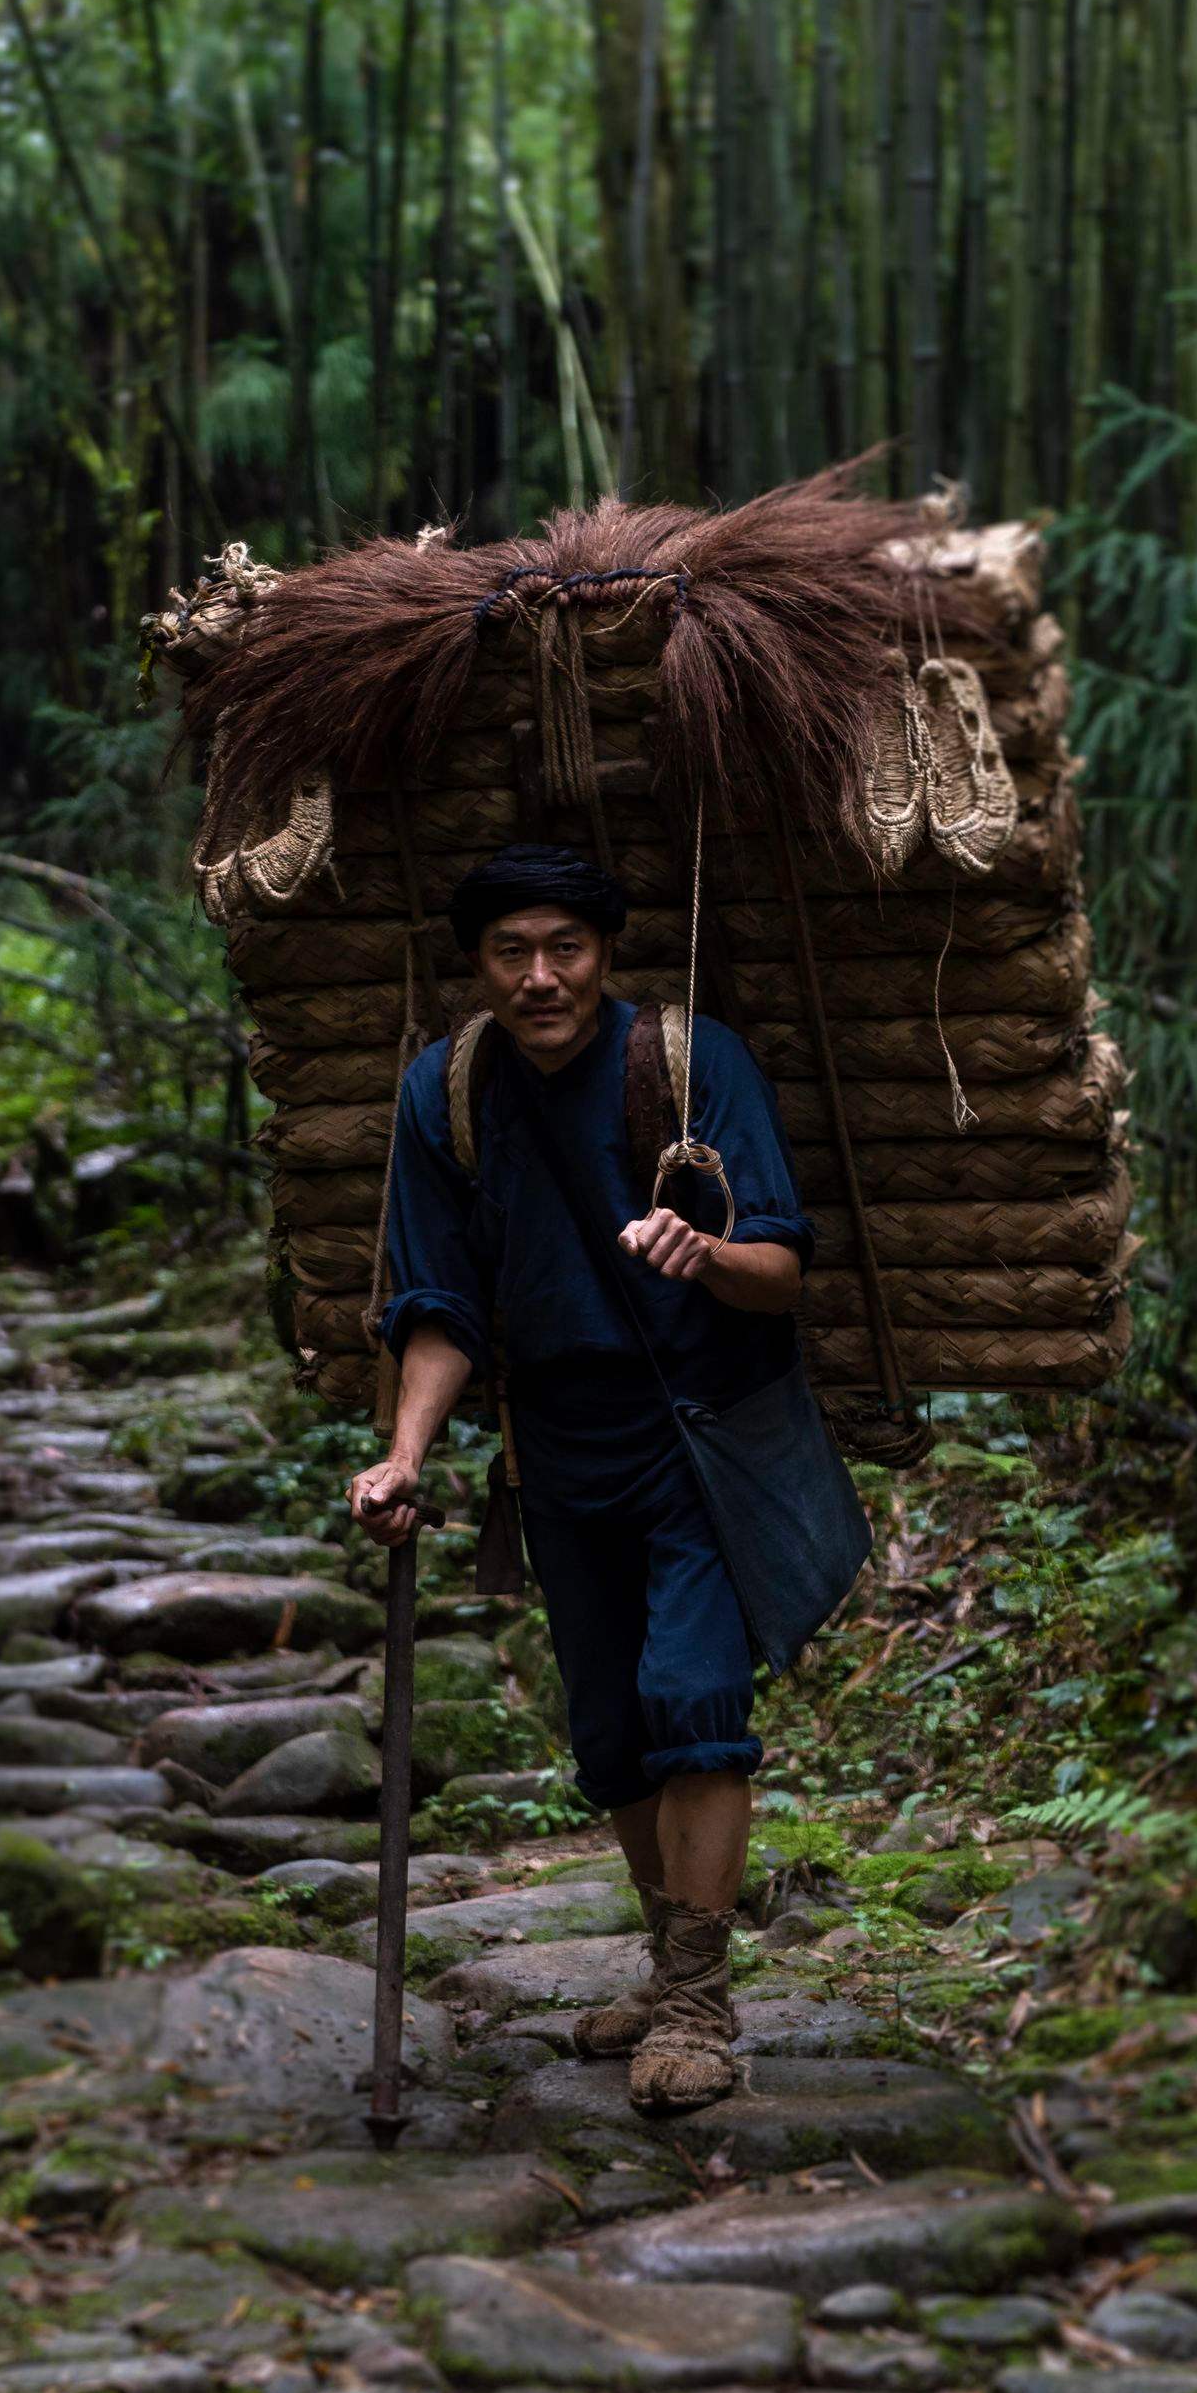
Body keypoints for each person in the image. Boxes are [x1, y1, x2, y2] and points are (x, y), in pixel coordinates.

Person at [349, 841, 815, 2112]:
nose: (541, 976)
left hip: (703, 1429)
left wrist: (703, 1249)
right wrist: (404, 1455)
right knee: (609, 1729)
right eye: (512, 951)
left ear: (605, 953)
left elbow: (780, 1266)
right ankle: (668, 1965)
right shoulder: (442, 1093)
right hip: (558, 1445)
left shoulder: (688, 1063)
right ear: (478, 964)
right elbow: (436, 1305)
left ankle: (696, 2004)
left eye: (565, 948)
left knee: (693, 1692)